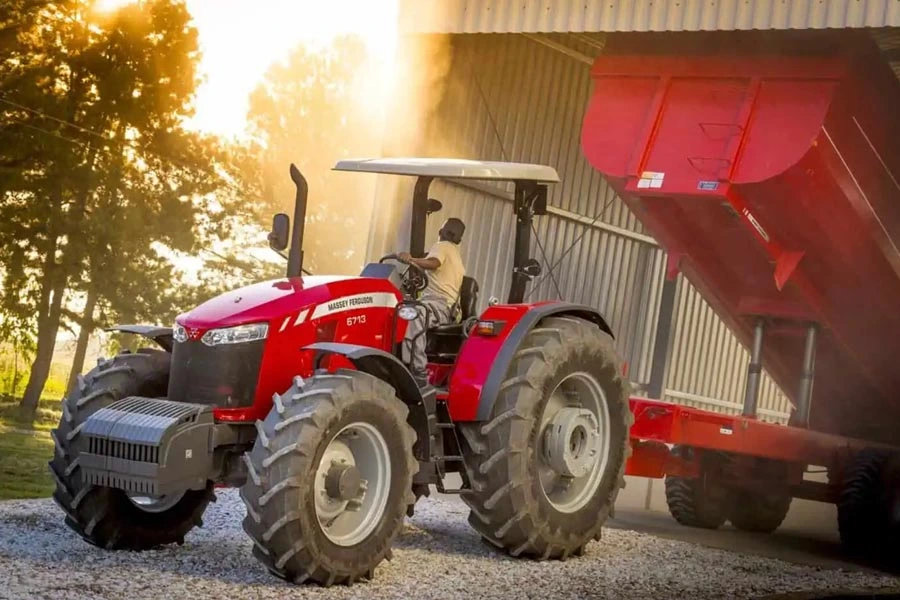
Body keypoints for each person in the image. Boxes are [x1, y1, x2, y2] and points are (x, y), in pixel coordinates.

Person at [398, 217, 466, 385]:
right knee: (406, 306)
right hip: (445, 307)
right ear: (459, 239)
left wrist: (411, 259)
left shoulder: (442, 247)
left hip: (439, 305)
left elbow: (434, 262)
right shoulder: (456, 256)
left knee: (413, 314)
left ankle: (417, 371)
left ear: (441, 232)